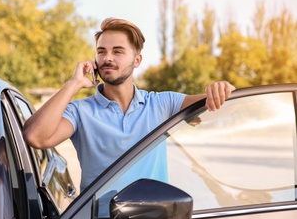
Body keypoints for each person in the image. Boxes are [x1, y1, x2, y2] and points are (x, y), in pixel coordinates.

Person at [23, 17, 235, 191]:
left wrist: (224, 90)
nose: (107, 58)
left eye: (118, 51)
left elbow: (226, 107)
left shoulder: (163, 103)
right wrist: (73, 83)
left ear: (137, 60)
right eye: (101, 51)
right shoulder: (80, 111)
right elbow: (35, 137)